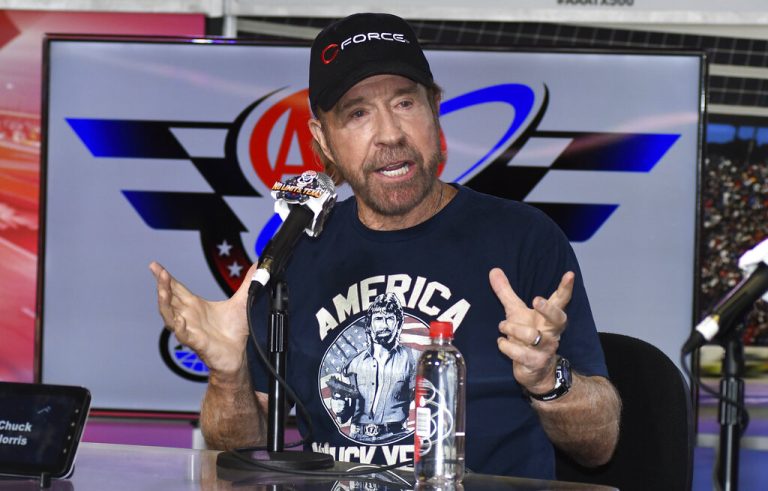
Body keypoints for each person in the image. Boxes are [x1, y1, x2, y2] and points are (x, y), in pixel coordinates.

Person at [150, 12, 620, 480]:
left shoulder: (524, 238)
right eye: (357, 114)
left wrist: (547, 379)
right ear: (323, 140)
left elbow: (600, 444)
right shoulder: (297, 249)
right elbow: (237, 452)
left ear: (435, 110)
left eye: (405, 103)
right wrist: (228, 374)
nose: (390, 134)